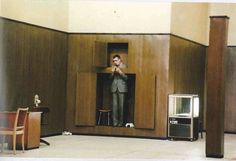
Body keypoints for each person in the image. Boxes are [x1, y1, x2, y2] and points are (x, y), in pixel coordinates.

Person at [110, 54, 128, 127]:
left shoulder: (125, 67)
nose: (115, 62)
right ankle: (115, 123)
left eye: (116, 60)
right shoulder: (112, 67)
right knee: (114, 106)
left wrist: (120, 72)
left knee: (121, 106)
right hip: (114, 88)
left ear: (120, 60)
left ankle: (121, 123)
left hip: (122, 88)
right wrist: (112, 72)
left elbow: (126, 78)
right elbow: (110, 78)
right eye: (113, 61)